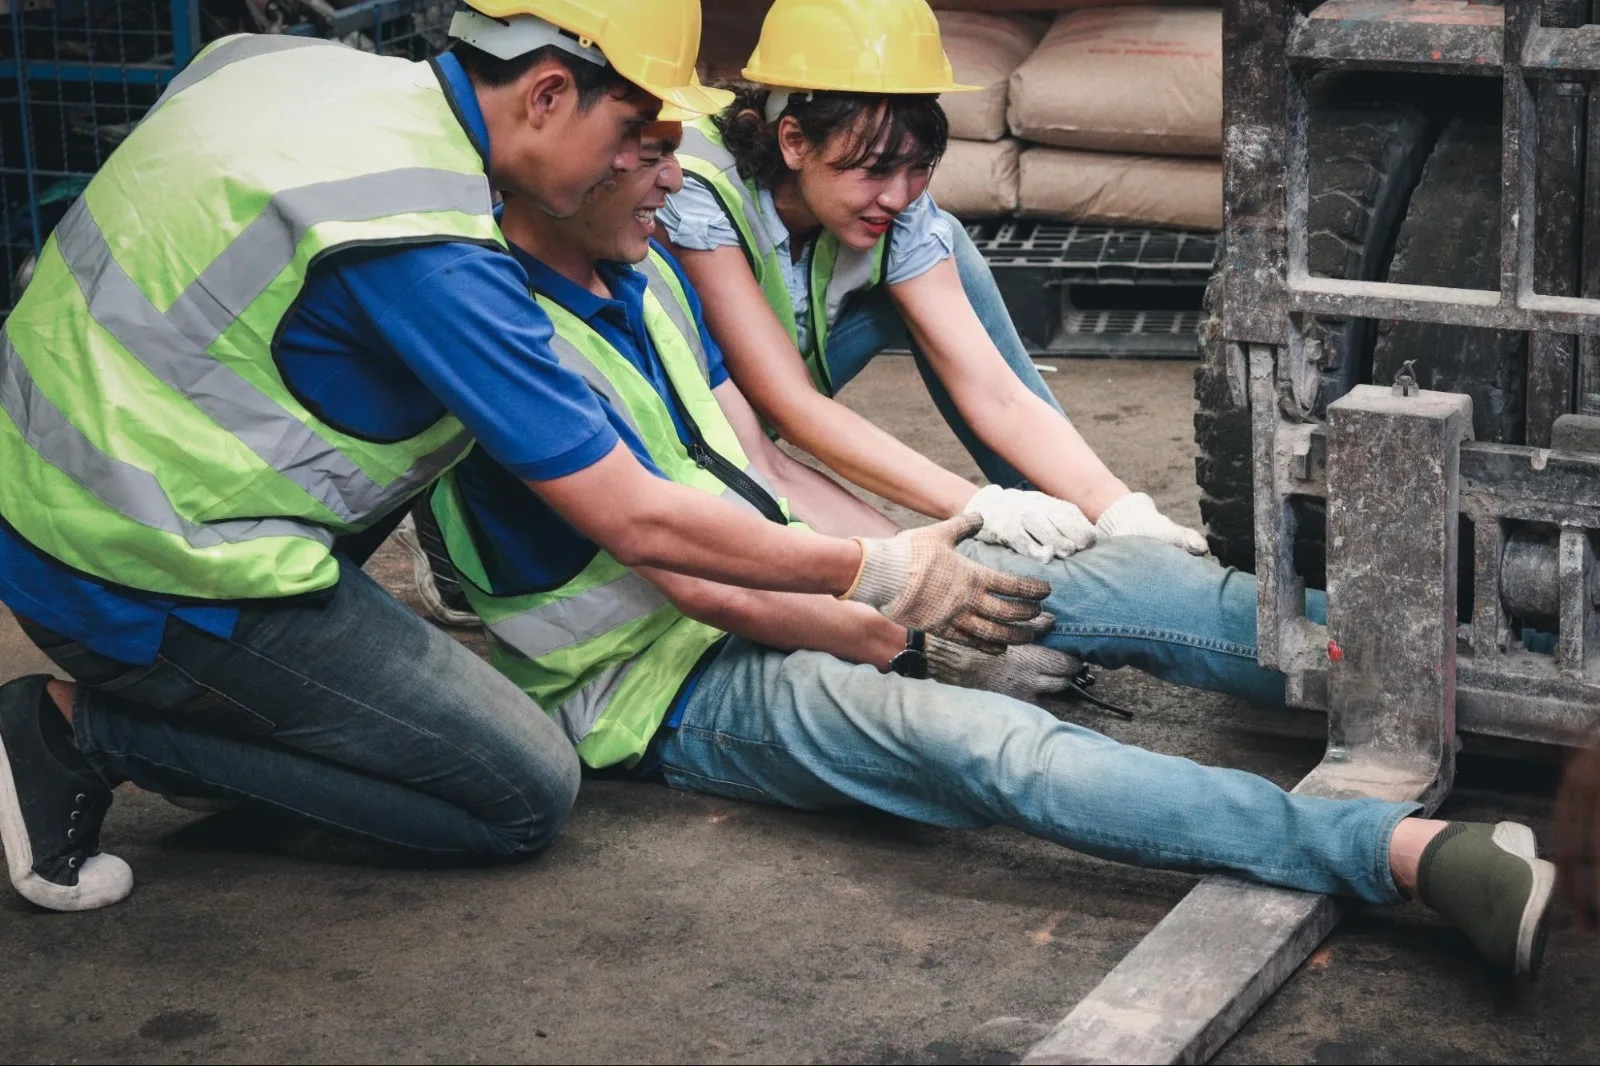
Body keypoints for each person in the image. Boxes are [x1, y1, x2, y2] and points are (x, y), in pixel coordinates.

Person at [430, 121, 1559, 976]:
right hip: (665, 685)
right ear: (547, 132)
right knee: (997, 746)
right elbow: (686, 574)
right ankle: (1400, 853)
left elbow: (766, 473)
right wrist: (892, 621)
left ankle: (1481, 688)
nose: (675, 180)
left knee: (1128, 585)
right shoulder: (497, 337)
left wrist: (935, 548)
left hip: (796, 576)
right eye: (643, 149)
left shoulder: (639, 278)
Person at [0, 1, 1050, 913]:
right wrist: (875, 571)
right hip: (136, 560)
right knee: (516, 790)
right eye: (637, 137)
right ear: (547, 93)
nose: (657, 172)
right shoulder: (432, 250)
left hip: (55, 461)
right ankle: (78, 732)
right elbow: (636, 518)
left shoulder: (297, 73)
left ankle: (253, 713)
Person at [660, 0, 1206, 568]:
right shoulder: (698, 188)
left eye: (918, 167)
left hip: (787, 378)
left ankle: (1068, 527)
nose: (899, 195)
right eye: (873, 170)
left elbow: (998, 392)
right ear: (793, 141)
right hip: (716, 412)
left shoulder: (897, 203)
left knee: (948, 245)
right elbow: (790, 406)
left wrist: (1120, 507)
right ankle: (1027, 517)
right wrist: (976, 507)